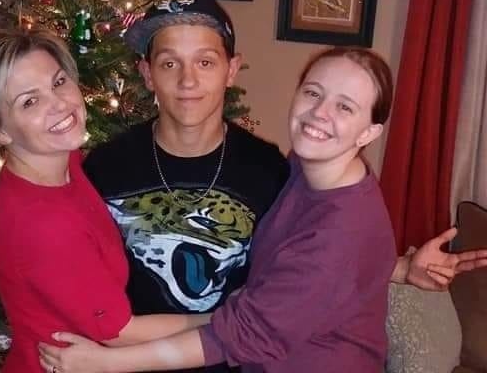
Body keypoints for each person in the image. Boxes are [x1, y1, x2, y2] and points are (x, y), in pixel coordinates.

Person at [0, 0, 487, 372]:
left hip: (229, 359)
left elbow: (312, 260)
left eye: (205, 61)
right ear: (146, 74)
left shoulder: (273, 170)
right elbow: (59, 254)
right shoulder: (98, 165)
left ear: (232, 70)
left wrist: (395, 268)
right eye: (168, 62)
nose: (188, 81)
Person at [33, 47, 421, 372]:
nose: (320, 113)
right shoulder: (309, 170)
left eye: (345, 107)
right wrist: (397, 266)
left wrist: (106, 363)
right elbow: (338, 271)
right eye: (313, 93)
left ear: (370, 132)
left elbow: (243, 334)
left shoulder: (341, 229)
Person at [0, 28, 210, 373]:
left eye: (58, 82)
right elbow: (120, 333)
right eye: (29, 101)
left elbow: (34, 268)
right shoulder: (44, 221)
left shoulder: (63, 164)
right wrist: (225, 317)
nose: (59, 103)